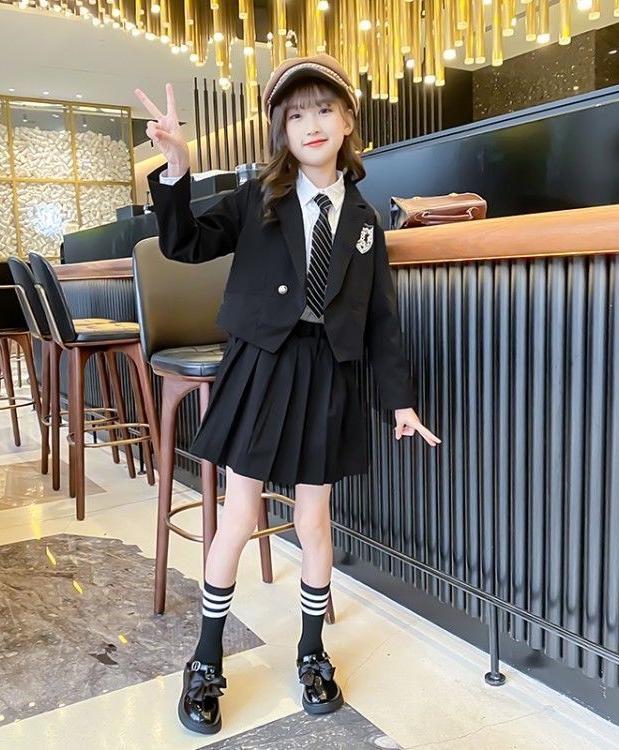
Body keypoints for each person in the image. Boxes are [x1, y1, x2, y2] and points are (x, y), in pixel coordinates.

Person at [135, 53, 440, 736]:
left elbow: (382, 319)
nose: (311, 124)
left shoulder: (364, 217)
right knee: (239, 514)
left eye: (324, 109)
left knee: (313, 520)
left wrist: (401, 401)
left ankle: (311, 653)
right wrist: (178, 167)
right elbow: (184, 243)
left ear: (348, 120)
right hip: (262, 366)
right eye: (295, 114)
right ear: (280, 128)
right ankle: (204, 660)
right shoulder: (258, 199)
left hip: (328, 373)